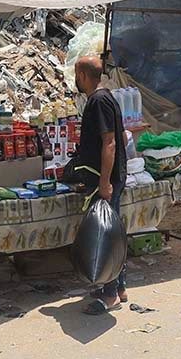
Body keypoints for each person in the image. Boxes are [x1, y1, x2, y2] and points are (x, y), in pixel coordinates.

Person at [74, 56, 129, 316]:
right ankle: (118, 287)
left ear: (83, 75)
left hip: (104, 178)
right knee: (112, 231)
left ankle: (110, 295)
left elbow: (110, 142)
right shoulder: (106, 98)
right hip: (105, 176)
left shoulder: (98, 101)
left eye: (77, 74)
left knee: (105, 235)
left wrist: (104, 181)